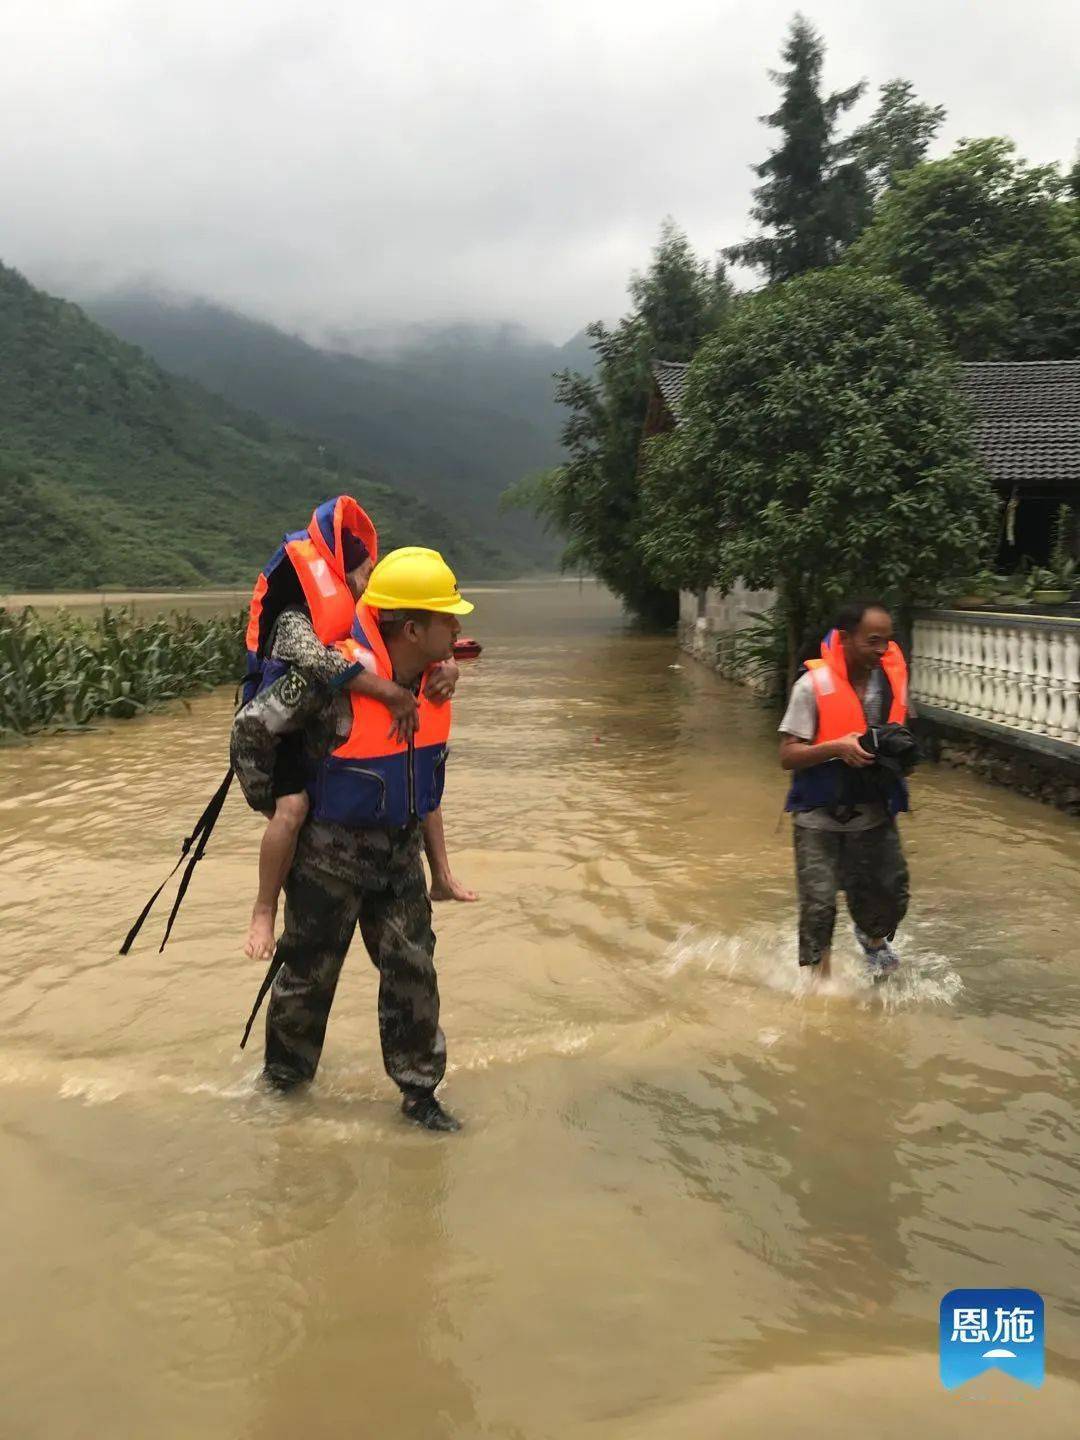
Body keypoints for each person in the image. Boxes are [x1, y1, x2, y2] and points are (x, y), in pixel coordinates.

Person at [230, 546, 474, 1132]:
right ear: (412, 629)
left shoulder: (434, 682)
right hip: (325, 861)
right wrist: (282, 800)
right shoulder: (332, 679)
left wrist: (440, 869)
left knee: (414, 973)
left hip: (399, 858)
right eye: (447, 619)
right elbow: (250, 730)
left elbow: (427, 782)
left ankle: (420, 1095)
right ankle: (284, 1090)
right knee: (306, 978)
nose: (459, 628)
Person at [242, 498, 476, 962]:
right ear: (339, 570)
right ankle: (263, 908)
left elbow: (430, 636)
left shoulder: (367, 617)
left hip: (393, 832)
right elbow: (321, 663)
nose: (370, 582)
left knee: (421, 781)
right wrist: (389, 693)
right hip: (287, 730)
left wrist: (449, 663)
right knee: (292, 809)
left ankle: (442, 877)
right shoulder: (298, 612)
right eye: (364, 572)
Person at [778, 600, 912, 981]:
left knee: (890, 898)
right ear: (845, 638)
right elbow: (787, 755)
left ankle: (872, 941)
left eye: (886, 642)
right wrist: (837, 747)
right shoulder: (811, 686)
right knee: (819, 909)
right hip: (818, 818)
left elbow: (901, 734)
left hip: (873, 814)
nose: (882, 650)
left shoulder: (891, 682)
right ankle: (820, 993)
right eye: (873, 641)